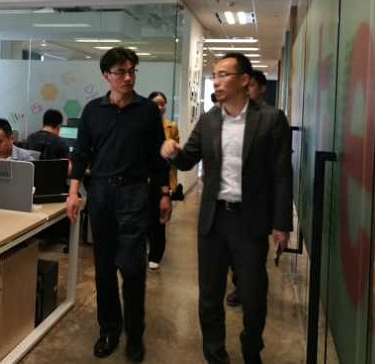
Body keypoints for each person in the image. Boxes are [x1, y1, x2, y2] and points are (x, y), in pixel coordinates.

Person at [160, 52, 292, 364]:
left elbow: (282, 174)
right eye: (215, 75)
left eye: (223, 75)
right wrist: (173, 152)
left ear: (244, 80)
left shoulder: (271, 119)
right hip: (213, 219)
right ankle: (215, 355)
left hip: (250, 220)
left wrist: (281, 223)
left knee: (254, 296)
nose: (216, 81)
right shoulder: (209, 119)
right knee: (209, 296)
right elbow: (188, 159)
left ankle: (251, 349)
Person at [66, 47, 169, 363]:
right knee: (104, 267)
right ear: (106, 75)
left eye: (132, 71)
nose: (128, 77)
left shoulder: (147, 111)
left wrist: (164, 193)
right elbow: (81, 153)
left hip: (135, 194)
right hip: (101, 194)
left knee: (133, 268)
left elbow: (158, 156)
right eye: (121, 72)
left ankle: (135, 335)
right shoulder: (92, 111)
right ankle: (109, 329)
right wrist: (73, 192)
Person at [226, 69, 269, 308]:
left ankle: (250, 293)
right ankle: (239, 287)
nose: (246, 91)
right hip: (228, 201)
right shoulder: (226, 118)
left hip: (255, 204)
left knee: (253, 258)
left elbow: (280, 172)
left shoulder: (270, 119)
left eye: (251, 86)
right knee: (233, 254)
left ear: (261, 89)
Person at [146, 91, 180, 270]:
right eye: (156, 103)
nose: (160, 107)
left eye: (162, 104)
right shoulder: (142, 124)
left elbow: (176, 151)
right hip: (144, 177)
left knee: (158, 217)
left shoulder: (170, 126)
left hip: (163, 175)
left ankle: (156, 254)